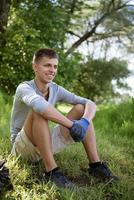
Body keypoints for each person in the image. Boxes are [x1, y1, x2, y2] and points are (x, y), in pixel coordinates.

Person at [10, 48, 118, 189]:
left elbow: (89, 103)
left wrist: (84, 122)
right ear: (35, 67)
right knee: (39, 111)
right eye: (47, 65)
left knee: (80, 108)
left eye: (55, 66)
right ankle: (52, 172)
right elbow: (40, 106)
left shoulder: (55, 88)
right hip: (22, 147)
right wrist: (72, 126)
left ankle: (96, 166)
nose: (52, 70)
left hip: (43, 142)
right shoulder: (24, 88)